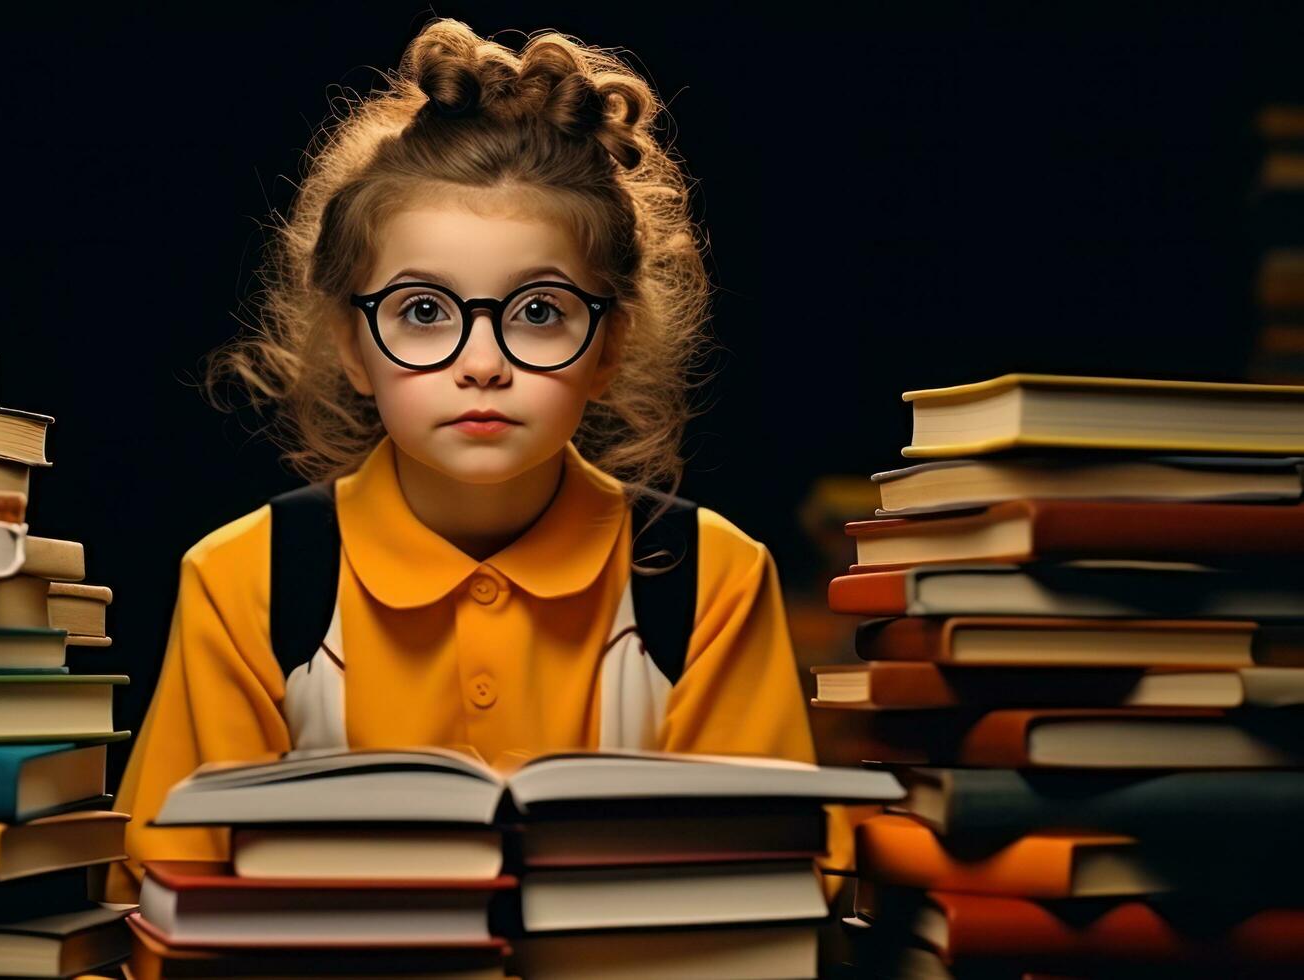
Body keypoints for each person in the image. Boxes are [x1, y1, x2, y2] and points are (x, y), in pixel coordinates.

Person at [101, 17, 850, 905]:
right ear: (351, 339)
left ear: (610, 344)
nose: (482, 361)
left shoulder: (711, 577)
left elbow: (775, 889)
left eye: (538, 312)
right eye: (423, 312)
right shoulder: (246, 583)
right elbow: (167, 894)